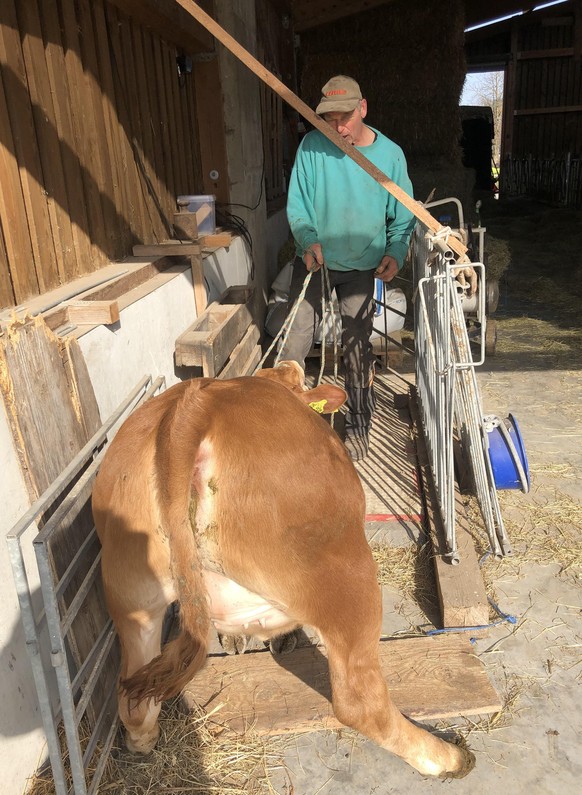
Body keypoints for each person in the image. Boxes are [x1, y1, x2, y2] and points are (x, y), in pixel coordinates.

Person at [279, 75, 416, 460]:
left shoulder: (390, 156)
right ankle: (284, 422)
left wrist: (397, 249)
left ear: (363, 109)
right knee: (293, 340)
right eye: (330, 119)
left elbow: (403, 214)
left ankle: (358, 423)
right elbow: (298, 204)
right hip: (314, 261)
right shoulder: (311, 147)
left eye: (346, 118)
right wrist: (307, 240)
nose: (338, 127)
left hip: (361, 268)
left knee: (357, 346)